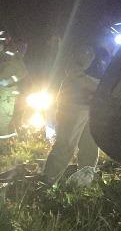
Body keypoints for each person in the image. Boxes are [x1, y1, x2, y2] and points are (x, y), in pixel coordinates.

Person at [41, 44, 102, 184]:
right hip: (74, 105)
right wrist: (99, 88)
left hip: (93, 107)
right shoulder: (88, 49)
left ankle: (83, 183)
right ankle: (48, 182)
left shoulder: (110, 57)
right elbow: (74, 72)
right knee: (66, 145)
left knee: (90, 147)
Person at [0, 30, 28, 141]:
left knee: (3, 119)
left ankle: (4, 145)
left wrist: (8, 81)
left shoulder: (11, 55)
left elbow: (22, 72)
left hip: (7, 91)